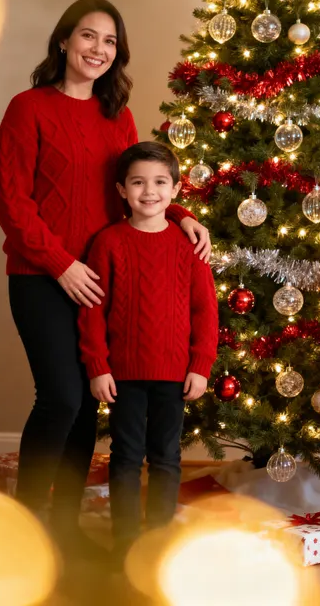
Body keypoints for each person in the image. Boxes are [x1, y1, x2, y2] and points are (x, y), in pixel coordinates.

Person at [0, 0, 211, 559]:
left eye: (110, 42)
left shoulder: (118, 116)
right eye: (88, 37)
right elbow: (11, 202)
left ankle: (63, 528)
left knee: (89, 404)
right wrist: (62, 265)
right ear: (64, 41)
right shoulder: (28, 108)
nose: (98, 50)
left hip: (105, 282)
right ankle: (23, 523)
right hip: (43, 275)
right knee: (61, 398)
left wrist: (185, 217)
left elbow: (142, 187)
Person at [78, 141, 218, 566]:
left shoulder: (188, 245)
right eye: (138, 183)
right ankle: (125, 543)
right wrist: (98, 367)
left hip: (174, 374)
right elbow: (92, 311)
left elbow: (205, 310)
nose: (149, 191)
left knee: (166, 458)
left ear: (175, 190)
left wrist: (201, 366)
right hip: (123, 375)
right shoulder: (108, 243)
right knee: (124, 457)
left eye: (160, 182)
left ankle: (157, 543)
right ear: (121, 189)